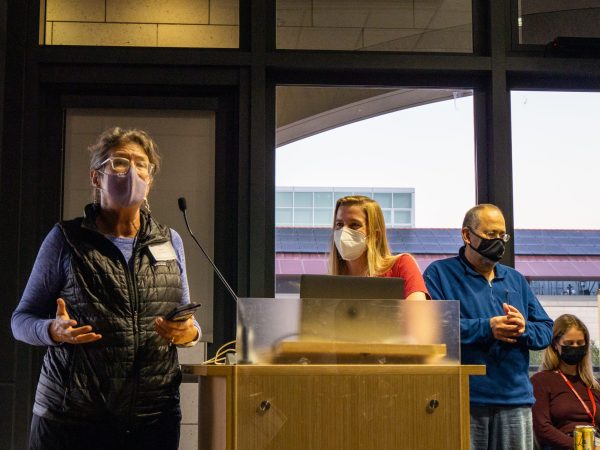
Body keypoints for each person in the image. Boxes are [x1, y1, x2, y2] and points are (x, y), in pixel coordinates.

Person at [11, 127, 200, 450]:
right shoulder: (66, 239)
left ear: (151, 178)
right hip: (73, 421)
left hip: (153, 420)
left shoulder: (171, 241)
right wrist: (54, 331)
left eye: (141, 164)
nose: (132, 171)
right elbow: (20, 321)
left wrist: (189, 334)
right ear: (96, 178)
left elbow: (187, 320)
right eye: (119, 163)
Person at [423, 203, 553, 450]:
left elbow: (546, 329)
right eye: (490, 234)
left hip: (515, 400)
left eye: (502, 235)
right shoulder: (440, 273)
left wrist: (523, 329)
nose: (498, 242)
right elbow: (433, 329)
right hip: (465, 399)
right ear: (466, 235)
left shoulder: (515, 279)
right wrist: (487, 327)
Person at [329, 195, 429, 300]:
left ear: (375, 235)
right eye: (339, 224)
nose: (343, 232)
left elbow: (418, 312)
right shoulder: (331, 284)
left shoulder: (401, 265)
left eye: (354, 225)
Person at [531, 314, 600, 450]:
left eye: (580, 343)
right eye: (569, 343)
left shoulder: (594, 385)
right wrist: (581, 447)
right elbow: (542, 429)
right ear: (556, 345)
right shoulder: (540, 381)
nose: (575, 347)